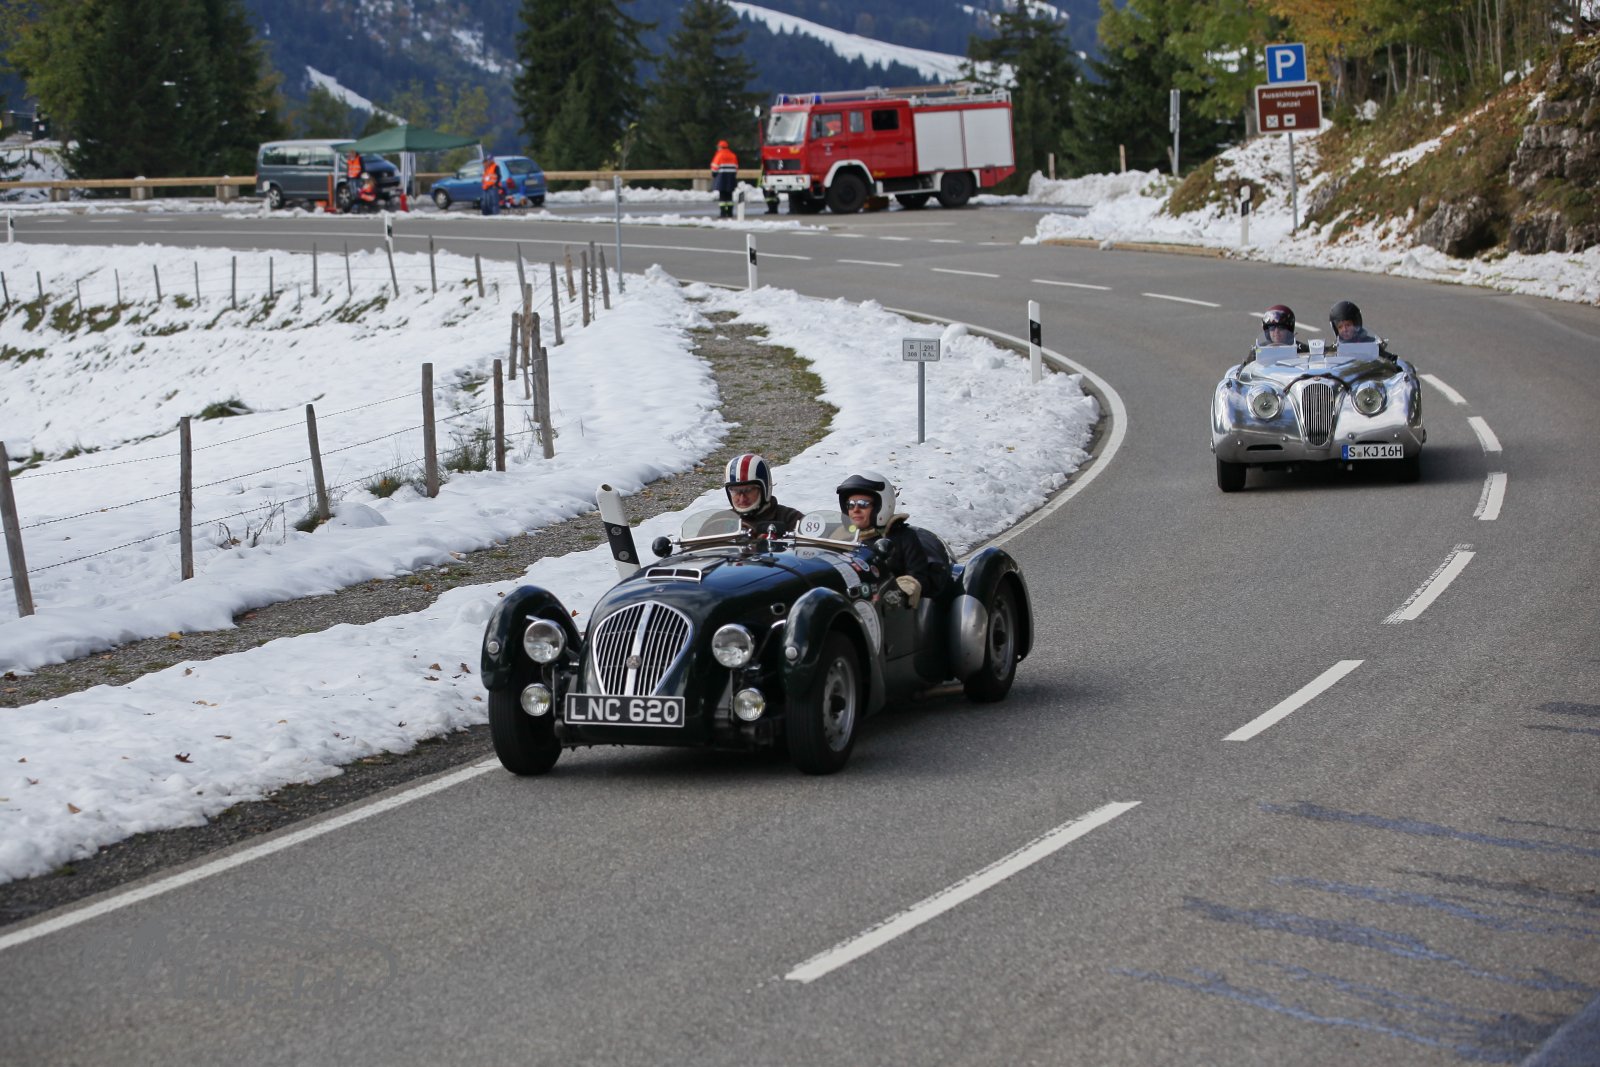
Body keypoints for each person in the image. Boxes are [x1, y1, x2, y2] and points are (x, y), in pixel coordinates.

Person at [836, 471, 946, 607]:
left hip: (888, 608)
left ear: (880, 506)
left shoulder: (904, 537)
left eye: (863, 504)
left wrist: (900, 592)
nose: (855, 509)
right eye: (850, 504)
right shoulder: (841, 537)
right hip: (850, 602)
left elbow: (917, 577)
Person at [723, 453, 803, 535]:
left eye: (748, 490)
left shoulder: (791, 519)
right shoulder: (721, 520)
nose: (742, 498)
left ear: (765, 489)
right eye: (735, 491)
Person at [710, 139, 739, 220]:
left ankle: (723, 213)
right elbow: (736, 167)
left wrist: (714, 174)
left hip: (721, 178)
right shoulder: (733, 155)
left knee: (722, 196)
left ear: (720, 147)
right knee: (729, 196)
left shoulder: (719, 155)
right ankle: (729, 212)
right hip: (731, 178)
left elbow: (714, 167)